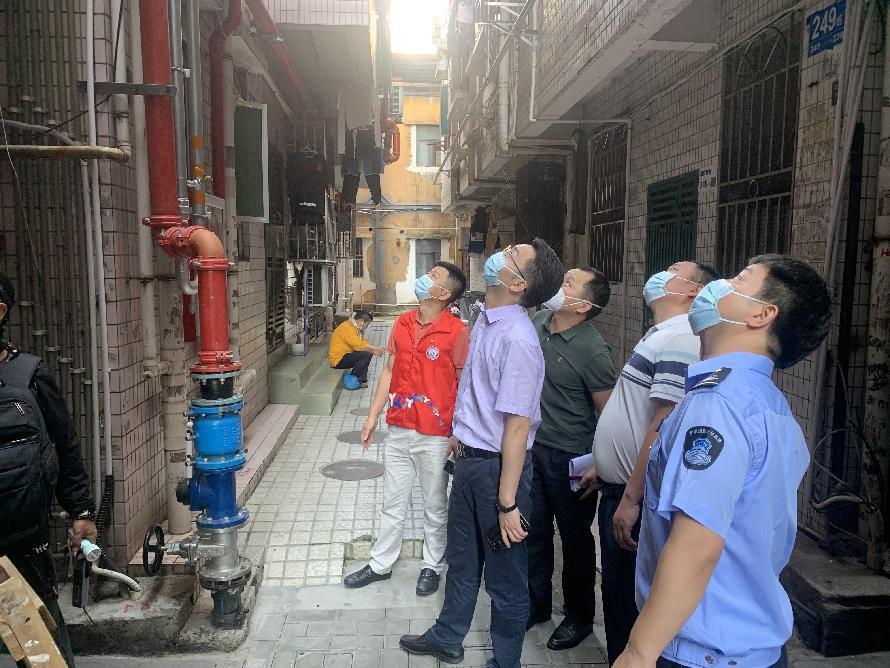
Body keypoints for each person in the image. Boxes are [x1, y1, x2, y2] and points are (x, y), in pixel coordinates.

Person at [613, 255, 831, 668]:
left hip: (701, 651)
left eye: (740, 279)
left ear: (761, 314)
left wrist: (639, 653)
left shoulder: (718, 403)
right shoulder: (767, 402)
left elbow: (698, 544)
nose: (720, 284)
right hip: (747, 645)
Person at [399, 240, 564, 668]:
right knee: (462, 559)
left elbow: (518, 425)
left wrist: (508, 502)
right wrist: (461, 432)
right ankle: (448, 636)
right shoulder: (487, 320)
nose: (501, 251)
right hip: (472, 461)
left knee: (506, 578)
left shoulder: (519, 340)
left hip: (498, 473)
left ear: (518, 283)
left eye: (512, 254)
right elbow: (478, 391)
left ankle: (505, 661)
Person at [580, 261, 719, 664]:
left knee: (627, 602)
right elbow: (636, 415)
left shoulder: (681, 337)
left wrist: (631, 498)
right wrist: (603, 464)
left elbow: (663, 422)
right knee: (618, 595)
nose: (661, 273)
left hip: (635, 497)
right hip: (620, 486)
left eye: (674, 270)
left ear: (693, 291)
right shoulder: (662, 333)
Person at [344, 262, 469, 595]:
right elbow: (389, 371)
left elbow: (464, 385)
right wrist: (372, 416)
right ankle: (380, 564)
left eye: (434, 276)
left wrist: (458, 432)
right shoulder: (402, 323)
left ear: (444, 294)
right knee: (392, 501)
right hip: (398, 428)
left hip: (435, 435)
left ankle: (432, 566)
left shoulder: (457, 332)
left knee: (434, 505)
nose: (425, 277)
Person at [0, 272, 98, 667]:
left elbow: (65, 444)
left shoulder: (28, 374)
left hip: (23, 541)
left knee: (39, 647)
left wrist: (81, 512)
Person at [526, 267, 616, 650]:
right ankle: (536, 605)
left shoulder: (593, 351)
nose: (558, 286)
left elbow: (608, 414)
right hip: (533, 448)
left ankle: (579, 617)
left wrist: (600, 463)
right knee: (534, 531)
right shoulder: (538, 322)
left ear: (582, 305)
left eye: (568, 284)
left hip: (573, 458)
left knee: (575, 539)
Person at [328, 309, 383, 387]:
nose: (367, 327)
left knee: (367, 353)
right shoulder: (347, 327)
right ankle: (355, 379)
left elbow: (361, 342)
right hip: (338, 360)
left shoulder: (352, 326)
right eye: (367, 324)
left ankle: (361, 380)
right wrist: (375, 349)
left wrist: (373, 350)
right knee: (366, 354)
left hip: (345, 355)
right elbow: (358, 345)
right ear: (361, 321)